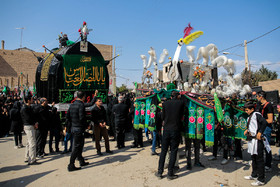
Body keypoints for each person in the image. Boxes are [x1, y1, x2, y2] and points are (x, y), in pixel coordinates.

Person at [155, 91, 184, 180]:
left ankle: (160, 172)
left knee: (163, 151)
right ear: (177, 96)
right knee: (173, 151)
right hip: (175, 129)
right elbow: (182, 116)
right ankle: (170, 173)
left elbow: (163, 117)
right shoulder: (181, 103)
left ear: (171, 97)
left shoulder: (165, 104)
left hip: (166, 129)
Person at [243, 102, 267, 186]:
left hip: (257, 140)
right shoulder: (250, 116)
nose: (246, 112)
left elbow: (264, 122)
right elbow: (252, 126)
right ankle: (254, 174)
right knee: (253, 158)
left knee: (259, 159)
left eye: (247, 110)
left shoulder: (257, 114)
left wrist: (260, 132)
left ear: (252, 109)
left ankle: (261, 179)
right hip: (252, 140)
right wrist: (247, 130)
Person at [66, 91, 90, 172]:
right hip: (79, 128)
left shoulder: (72, 105)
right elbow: (82, 117)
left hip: (74, 127)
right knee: (76, 146)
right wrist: (86, 125)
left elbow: (68, 116)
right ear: (83, 96)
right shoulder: (81, 105)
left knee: (80, 145)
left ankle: (81, 161)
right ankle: (71, 164)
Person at [256, 91, 274, 171]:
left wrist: (262, 121)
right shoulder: (259, 105)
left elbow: (270, 120)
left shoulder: (268, 106)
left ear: (261, 96)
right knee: (259, 147)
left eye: (257, 96)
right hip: (260, 128)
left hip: (266, 128)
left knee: (267, 147)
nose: (256, 98)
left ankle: (268, 165)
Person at [20, 95, 39, 165]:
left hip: (30, 125)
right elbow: (28, 118)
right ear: (28, 100)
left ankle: (27, 157)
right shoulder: (24, 108)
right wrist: (34, 124)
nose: (32, 100)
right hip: (29, 126)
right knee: (32, 143)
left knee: (29, 142)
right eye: (31, 99)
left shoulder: (29, 107)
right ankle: (32, 160)